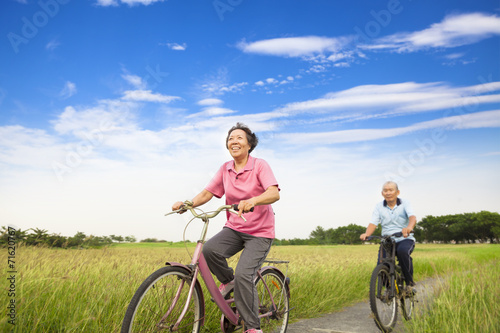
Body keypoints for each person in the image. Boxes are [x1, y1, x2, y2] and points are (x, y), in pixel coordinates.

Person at [172, 123, 280, 333]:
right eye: (231, 138)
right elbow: (207, 193)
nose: (234, 141)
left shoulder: (259, 165)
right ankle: (229, 282)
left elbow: (274, 193)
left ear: (249, 145)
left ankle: (252, 327)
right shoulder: (225, 168)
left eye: (239, 138)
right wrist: (187, 204)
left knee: (244, 275)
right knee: (209, 251)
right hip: (234, 228)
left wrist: (254, 200)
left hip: (259, 233)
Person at [360, 181, 417, 292]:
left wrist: (409, 228)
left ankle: (409, 284)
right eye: (385, 190)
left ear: (397, 192)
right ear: (382, 193)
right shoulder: (379, 206)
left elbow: (412, 217)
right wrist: (367, 234)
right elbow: (373, 223)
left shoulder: (405, 203)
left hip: (404, 238)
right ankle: (390, 289)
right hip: (387, 239)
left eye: (391, 190)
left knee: (402, 252)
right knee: (382, 263)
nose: (388, 192)